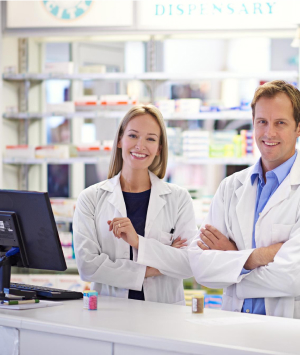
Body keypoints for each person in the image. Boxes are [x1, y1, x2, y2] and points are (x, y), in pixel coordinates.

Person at [188, 80, 300, 318]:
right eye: (262, 122)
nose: (269, 133)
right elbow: (200, 265)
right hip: (234, 324)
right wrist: (258, 257)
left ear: (298, 127)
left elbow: (293, 277)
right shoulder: (231, 187)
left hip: (286, 332)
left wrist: (233, 259)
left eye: (280, 123)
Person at [73, 104, 197, 305]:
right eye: (133, 136)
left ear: (159, 149)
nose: (140, 145)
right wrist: (157, 266)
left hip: (163, 316)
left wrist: (138, 242)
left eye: (150, 139)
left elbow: (189, 264)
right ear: (120, 140)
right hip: (109, 314)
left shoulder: (178, 199)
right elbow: (88, 267)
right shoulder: (90, 198)